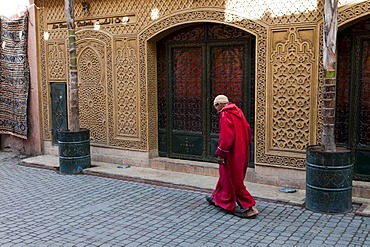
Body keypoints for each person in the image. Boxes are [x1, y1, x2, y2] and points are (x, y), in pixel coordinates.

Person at [206, 94, 259, 218]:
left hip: (231, 153)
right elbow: (247, 130)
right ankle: (217, 197)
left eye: (216, 106)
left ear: (219, 104)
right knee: (225, 177)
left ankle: (249, 207)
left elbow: (226, 138)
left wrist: (221, 154)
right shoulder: (238, 111)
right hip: (241, 151)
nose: (216, 110)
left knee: (233, 179)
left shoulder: (225, 115)